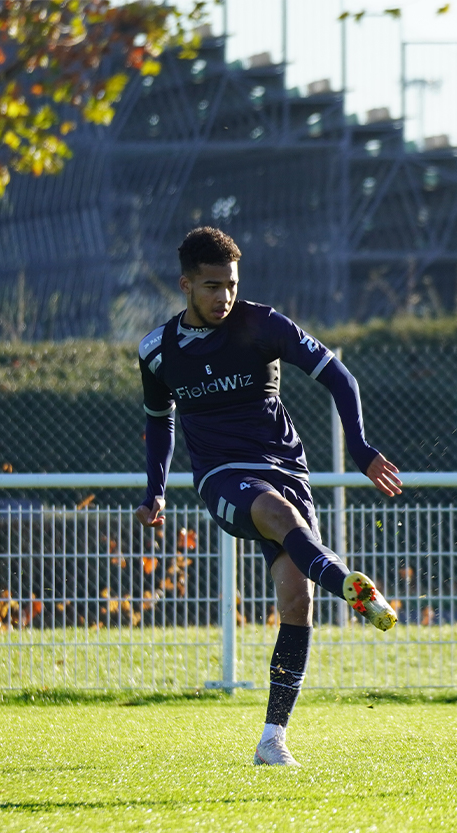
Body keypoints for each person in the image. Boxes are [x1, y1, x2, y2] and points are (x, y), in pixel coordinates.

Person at [136, 226, 402, 767]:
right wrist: (155, 490)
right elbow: (158, 422)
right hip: (222, 477)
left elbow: (339, 376)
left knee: (295, 602)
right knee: (278, 517)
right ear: (185, 284)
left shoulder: (262, 324)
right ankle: (351, 588)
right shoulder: (157, 352)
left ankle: (272, 739)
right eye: (211, 286)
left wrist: (360, 447)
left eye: (230, 284)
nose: (223, 297)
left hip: (286, 468)